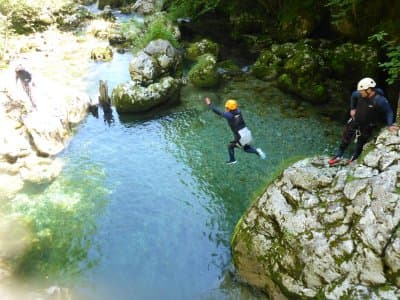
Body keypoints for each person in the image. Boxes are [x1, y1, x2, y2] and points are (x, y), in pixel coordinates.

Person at [328, 77, 398, 166]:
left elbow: (389, 111)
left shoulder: (380, 100)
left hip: (367, 125)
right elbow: (353, 95)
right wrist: (352, 108)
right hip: (355, 120)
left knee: (361, 142)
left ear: (369, 90)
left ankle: (355, 156)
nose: (360, 93)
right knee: (346, 137)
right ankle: (339, 154)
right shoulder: (360, 94)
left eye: (362, 91)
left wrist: (390, 124)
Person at [205, 96, 266, 164]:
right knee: (245, 147)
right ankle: (257, 152)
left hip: (240, 136)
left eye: (226, 107)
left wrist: (209, 104)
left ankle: (233, 160)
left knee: (231, 146)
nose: (225, 108)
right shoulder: (238, 112)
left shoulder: (229, 115)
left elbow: (217, 112)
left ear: (229, 108)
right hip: (246, 132)